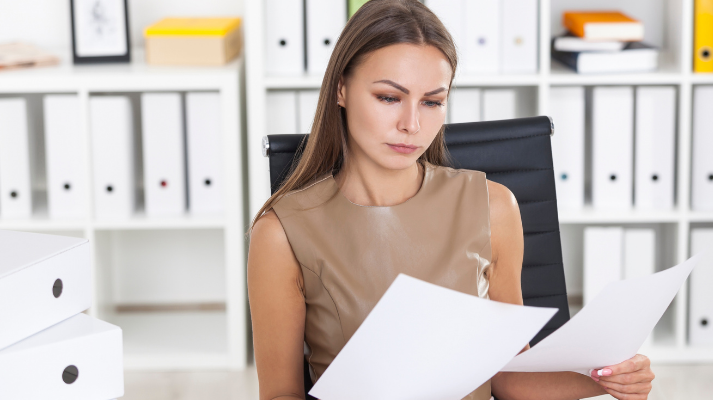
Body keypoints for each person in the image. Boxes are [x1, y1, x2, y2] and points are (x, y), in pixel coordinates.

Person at [247, 1, 655, 399]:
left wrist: (605, 378)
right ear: (341, 89)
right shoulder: (282, 233)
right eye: (389, 97)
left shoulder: (494, 207)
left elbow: (509, 378)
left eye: (432, 102)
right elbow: (281, 392)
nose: (411, 125)